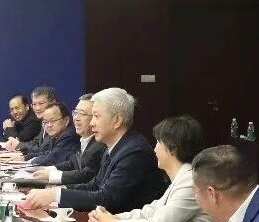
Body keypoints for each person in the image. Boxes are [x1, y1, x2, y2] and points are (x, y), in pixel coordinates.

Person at [18, 87, 164, 214]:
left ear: (117, 121)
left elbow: (107, 199)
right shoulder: (115, 145)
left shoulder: (134, 152)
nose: (92, 123)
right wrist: (52, 191)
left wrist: (55, 195)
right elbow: (94, 185)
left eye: (96, 116)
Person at [89, 115, 217, 222]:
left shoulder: (190, 181)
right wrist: (114, 217)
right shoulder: (182, 178)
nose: (154, 149)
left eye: (158, 143)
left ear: (173, 148)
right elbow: (150, 212)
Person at [32, 94, 105, 186]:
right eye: (75, 113)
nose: (76, 118)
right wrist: (48, 170)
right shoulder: (84, 139)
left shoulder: (99, 144)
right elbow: (73, 163)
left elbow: (87, 175)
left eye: (82, 114)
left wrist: (52, 177)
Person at [6, 86, 58, 155]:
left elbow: (43, 150)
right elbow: (35, 143)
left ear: (53, 103)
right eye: (34, 104)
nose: (37, 108)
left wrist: (19, 145)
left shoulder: (57, 122)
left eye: (41, 103)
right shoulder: (44, 122)